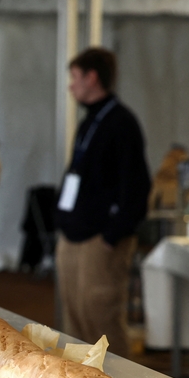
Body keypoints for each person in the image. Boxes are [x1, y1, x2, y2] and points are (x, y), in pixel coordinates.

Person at [54, 47, 150, 358]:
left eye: (75, 77)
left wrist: (114, 234)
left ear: (92, 78)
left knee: (101, 318)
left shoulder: (121, 123)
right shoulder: (89, 122)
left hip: (100, 238)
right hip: (74, 233)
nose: (71, 86)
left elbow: (135, 185)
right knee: (75, 316)